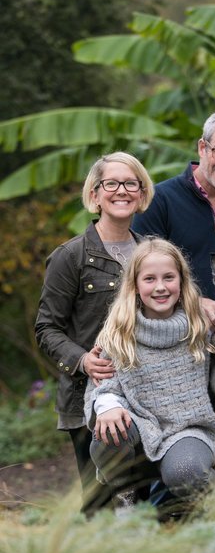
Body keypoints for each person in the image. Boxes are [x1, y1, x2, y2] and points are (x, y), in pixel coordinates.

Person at [35, 152, 154, 515]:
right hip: (87, 398)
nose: (121, 190)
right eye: (111, 183)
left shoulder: (151, 252)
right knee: (102, 507)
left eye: (130, 183)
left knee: (143, 502)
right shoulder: (71, 256)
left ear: (141, 192)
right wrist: (82, 360)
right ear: (96, 194)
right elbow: (46, 328)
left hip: (146, 398)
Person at [84, 237, 215, 515]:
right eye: (149, 279)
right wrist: (108, 405)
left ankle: (214, 513)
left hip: (189, 429)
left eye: (168, 278)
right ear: (135, 285)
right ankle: (127, 507)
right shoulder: (119, 331)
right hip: (138, 425)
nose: (160, 287)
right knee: (108, 433)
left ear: (182, 282)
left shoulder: (201, 325)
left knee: (185, 471)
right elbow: (102, 386)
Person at [132, 110, 215, 328]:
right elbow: (139, 275)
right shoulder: (159, 201)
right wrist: (193, 302)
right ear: (202, 147)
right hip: (173, 335)